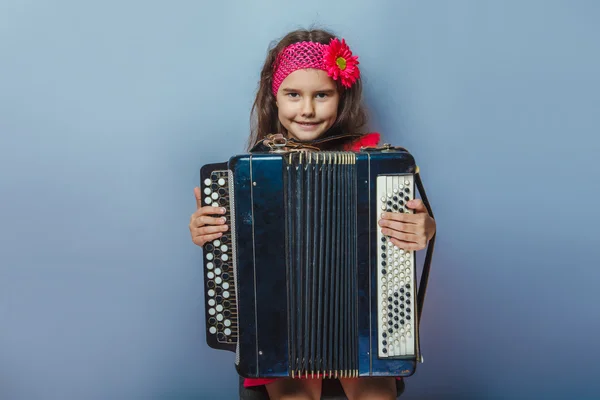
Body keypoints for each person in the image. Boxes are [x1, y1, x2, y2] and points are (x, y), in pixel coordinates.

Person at [189, 28, 437, 400]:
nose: (306, 109)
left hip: (358, 321)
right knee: (292, 393)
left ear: (342, 98)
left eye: (322, 95)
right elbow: (233, 240)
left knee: (373, 393)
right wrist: (208, 233)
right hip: (279, 325)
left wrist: (424, 227)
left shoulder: (375, 164)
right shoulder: (253, 170)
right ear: (275, 99)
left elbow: (410, 225)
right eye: (293, 95)